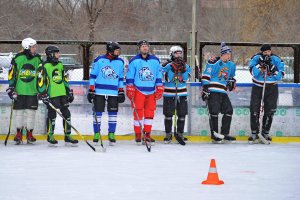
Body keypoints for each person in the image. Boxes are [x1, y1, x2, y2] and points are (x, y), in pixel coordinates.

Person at [37, 46, 77, 145]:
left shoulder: (60, 65)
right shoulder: (43, 66)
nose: (59, 55)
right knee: (52, 115)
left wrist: (68, 91)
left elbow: (64, 79)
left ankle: (67, 135)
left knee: (67, 114)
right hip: (52, 95)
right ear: (50, 54)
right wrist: (43, 94)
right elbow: (40, 82)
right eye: (56, 53)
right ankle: (50, 135)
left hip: (62, 93)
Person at [126, 40, 164, 144]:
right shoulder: (134, 60)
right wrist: (130, 87)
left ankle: (147, 134)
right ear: (139, 48)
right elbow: (130, 76)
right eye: (143, 46)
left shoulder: (155, 60)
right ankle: (138, 134)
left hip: (151, 91)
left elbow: (158, 74)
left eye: (146, 46)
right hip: (138, 90)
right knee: (138, 112)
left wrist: (159, 86)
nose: (145, 48)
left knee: (149, 113)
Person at [87, 42, 125, 145]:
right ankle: (96, 133)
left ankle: (111, 133)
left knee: (113, 114)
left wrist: (121, 90)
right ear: (110, 50)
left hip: (113, 92)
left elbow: (121, 78)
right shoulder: (99, 60)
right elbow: (93, 76)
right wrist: (91, 89)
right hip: (99, 91)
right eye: (116, 50)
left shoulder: (120, 62)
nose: (118, 52)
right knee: (97, 113)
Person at [6, 38, 42, 144]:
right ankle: (19, 133)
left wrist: (41, 89)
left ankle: (29, 134)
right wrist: (12, 87)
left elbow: (41, 75)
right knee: (19, 113)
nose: (35, 49)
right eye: (33, 47)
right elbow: (11, 74)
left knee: (31, 114)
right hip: (19, 91)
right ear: (27, 47)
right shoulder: (17, 59)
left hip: (33, 91)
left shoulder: (38, 59)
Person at [248, 44, 284, 143]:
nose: (267, 54)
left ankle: (265, 132)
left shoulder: (276, 59)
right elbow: (253, 73)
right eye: (265, 52)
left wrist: (272, 68)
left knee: (270, 111)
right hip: (257, 87)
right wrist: (260, 65)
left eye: (268, 51)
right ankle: (254, 132)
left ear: (270, 51)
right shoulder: (255, 58)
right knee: (254, 110)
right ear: (262, 52)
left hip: (272, 88)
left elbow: (280, 77)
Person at [201, 42, 236, 143]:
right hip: (213, 90)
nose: (229, 56)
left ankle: (224, 134)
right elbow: (206, 76)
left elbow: (230, 78)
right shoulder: (213, 62)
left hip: (223, 91)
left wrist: (231, 82)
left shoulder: (231, 65)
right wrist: (205, 89)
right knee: (214, 112)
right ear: (222, 54)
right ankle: (215, 135)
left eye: (230, 54)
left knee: (229, 110)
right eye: (227, 54)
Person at [162, 46, 191, 145]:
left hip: (182, 93)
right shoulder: (167, 65)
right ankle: (168, 134)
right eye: (176, 53)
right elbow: (166, 79)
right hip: (169, 93)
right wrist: (172, 69)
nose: (178, 55)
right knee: (168, 115)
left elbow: (186, 79)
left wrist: (182, 71)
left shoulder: (185, 65)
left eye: (180, 53)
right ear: (171, 54)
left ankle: (180, 133)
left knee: (182, 114)